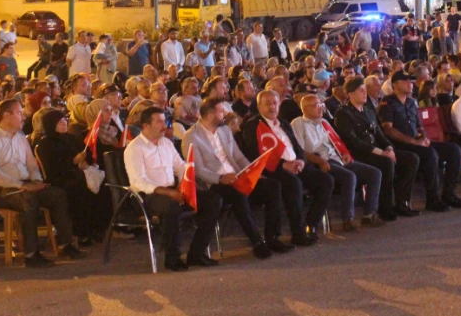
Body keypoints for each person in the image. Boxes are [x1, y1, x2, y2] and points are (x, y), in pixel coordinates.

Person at [0, 99, 84, 267]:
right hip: (2, 190)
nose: (23, 117)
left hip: (26, 184)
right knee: (28, 199)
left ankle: (65, 244)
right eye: (19, 113)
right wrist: (23, 186)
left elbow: (32, 164)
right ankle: (31, 253)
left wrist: (37, 181)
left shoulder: (20, 137)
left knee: (57, 195)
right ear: (6, 115)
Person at [182, 98, 290, 260]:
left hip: (237, 176)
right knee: (238, 194)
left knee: (272, 185)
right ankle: (256, 242)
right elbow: (196, 169)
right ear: (210, 115)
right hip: (214, 182)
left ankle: (272, 237)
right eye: (221, 111)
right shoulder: (191, 136)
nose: (225, 114)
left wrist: (252, 171)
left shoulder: (224, 130)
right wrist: (220, 178)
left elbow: (238, 157)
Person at [125, 107, 223, 271]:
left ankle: (197, 253)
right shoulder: (135, 148)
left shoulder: (166, 143)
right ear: (145, 126)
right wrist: (168, 192)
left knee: (213, 200)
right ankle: (172, 258)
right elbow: (138, 182)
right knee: (172, 207)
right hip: (148, 195)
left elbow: (180, 166)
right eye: (159, 122)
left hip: (172, 190)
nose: (165, 125)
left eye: (165, 121)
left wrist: (184, 181)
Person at [241, 90, 333, 246]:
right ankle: (298, 232)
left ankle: (310, 224)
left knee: (326, 180)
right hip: (272, 168)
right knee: (293, 184)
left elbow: (297, 147)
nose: (272, 107)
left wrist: (301, 161)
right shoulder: (253, 125)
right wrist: (283, 165)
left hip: (296, 164)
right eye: (268, 103)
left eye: (275, 103)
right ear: (259, 105)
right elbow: (254, 153)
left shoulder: (283, 123)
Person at [378, 71, 461, 212]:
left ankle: (449, 194)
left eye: (410, 81)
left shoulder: (410, 102)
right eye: (405, 81)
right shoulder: (387, 103)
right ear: (395, 85)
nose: (410, 84)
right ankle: (432, 199)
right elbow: (388, 130)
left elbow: (419, 126)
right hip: (401, 145)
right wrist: (413, 142)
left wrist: (424, 137)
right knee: (430, 154)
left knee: (454, 149)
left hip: (417, 143)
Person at [291, 94, 384, 231]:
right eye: (317, 106)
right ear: (305, 108)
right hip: (321, 161)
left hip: (337, 158)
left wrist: (345, 154)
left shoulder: (324, 122)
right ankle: (347, 219)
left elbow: (337, 142)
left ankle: (369, 214)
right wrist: (319, 160)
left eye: (322, 105)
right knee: (349, 176)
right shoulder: (298, 123)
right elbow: (299, 150)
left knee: (374, 173)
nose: (321, 108)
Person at [34, 110, 109, 247]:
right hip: (59, 179)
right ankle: (81, 232)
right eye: (60, 121)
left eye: (65, 120)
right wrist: (72, 162)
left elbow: (82, 155)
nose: (64, 123)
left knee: (103, 187)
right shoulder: (46, 144)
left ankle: (96, 227)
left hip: (77, 174)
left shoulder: (71, 138)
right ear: (51, 124)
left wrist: (83, 162)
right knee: (78, 189)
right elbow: (52, 168)